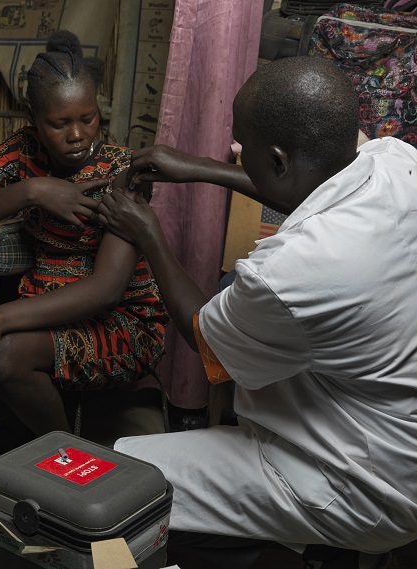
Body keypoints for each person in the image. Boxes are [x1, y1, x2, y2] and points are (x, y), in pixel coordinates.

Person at [97, 56, 417, 568]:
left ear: (279, 161)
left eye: (240, 143)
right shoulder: (395, 160)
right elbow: (313, 191)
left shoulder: (293, 270)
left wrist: (149, 235)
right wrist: (204, 170)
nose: (236, 149)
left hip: (364, 482)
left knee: (117, 483)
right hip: (393, 426)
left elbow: (207, 342)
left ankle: (292, 550)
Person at [0, 30, 167, 451]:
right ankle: (16, 441)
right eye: (60, 123)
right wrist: (30, 191)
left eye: (88, 118)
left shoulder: (123, 173)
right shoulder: (23, 151)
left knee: (1, 353)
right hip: (42, 311)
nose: (78, 135)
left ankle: (68, 454)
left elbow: (106, 290)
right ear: (34, 119)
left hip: (120, 324)